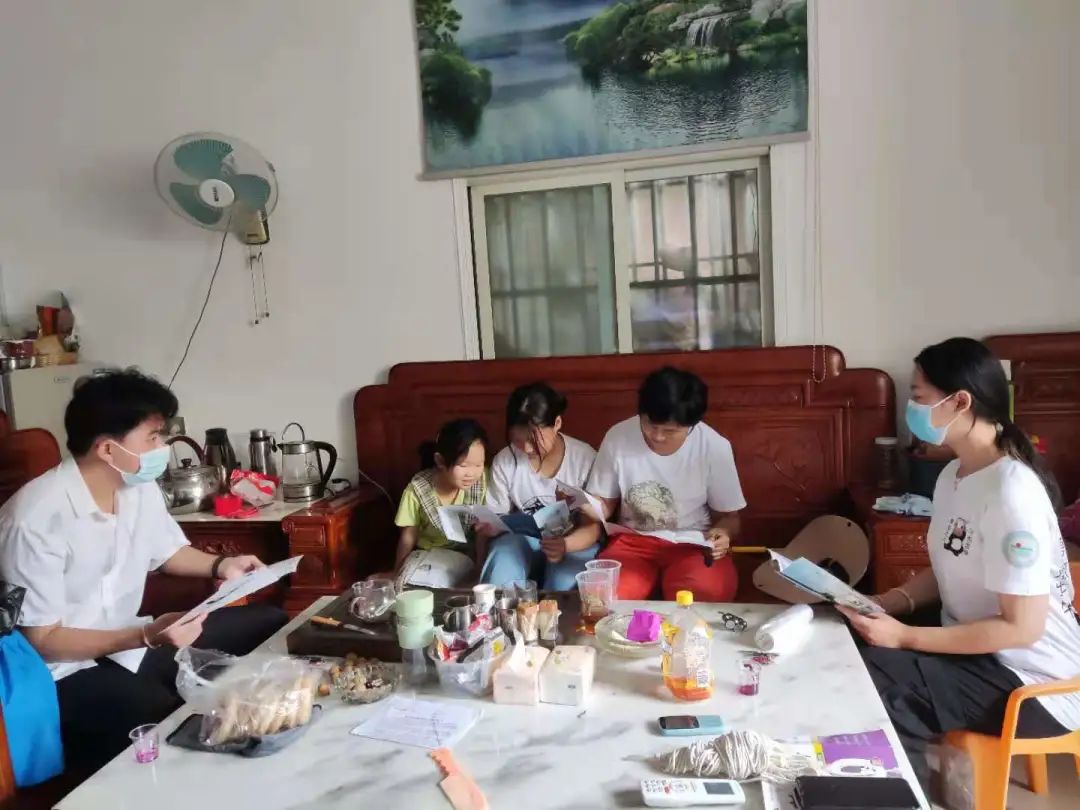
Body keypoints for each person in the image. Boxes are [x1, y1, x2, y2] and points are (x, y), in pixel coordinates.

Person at [0, 369, 287, 774]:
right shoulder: (33, 520)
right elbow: (43, 641)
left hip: (129, 642)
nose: (162, 448)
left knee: (270, 623)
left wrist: (222, 564)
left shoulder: (137, 487)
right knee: (171, 721)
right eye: (152, 438)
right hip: (63, 672)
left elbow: (167, 552)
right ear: (107, 449)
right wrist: (147, 636)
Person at [841, 338, 1080, 790]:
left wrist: (905, 635)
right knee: (846, 643)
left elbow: (1021, 628)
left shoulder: (1012, 492)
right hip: (978, 648)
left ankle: (900, 793)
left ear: (960, 402)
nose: (912, 409)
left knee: (879, 685)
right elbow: (952, 565)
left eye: (918, 396)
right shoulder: (954, 475)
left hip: (1032, 681)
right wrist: (888, 601)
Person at [562, 366, 746, 601]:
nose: (657, 436)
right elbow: (605, 505)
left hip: (693, 544)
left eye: (670, 431)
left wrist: (724, 532)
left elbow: (729, 517)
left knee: (702, 597)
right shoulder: (618, 437)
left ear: (692, 425)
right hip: (632, 543)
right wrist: (585, 505)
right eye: (649, 425)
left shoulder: (714, 446)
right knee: (604, 598)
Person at [479, 382, 598, 591]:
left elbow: (593, 526)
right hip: (526, 540)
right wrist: (490, 527)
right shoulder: (505, 460)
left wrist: (565, 545)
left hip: (573, 541)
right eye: (518, 440)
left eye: (534, 440)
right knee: (503, 561)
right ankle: (497, 611)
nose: (526, 448)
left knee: (562, 585)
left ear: (557, 423)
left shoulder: (584, 458)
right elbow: (497, 518)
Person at [382, 418, 488, 587]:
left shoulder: (482, 484)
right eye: (463, 465)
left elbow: (482, 533)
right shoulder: (417, 490)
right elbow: (408, 535)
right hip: (426, 554)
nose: (472, 473)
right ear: (440, 461)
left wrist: (480, 570)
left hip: (464, 554)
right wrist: (396, 572)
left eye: (478, 465)